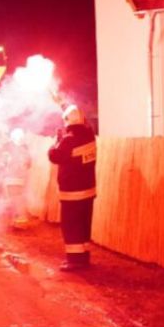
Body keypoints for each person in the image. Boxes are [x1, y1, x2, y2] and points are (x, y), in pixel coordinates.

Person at [47, 104, 97, 269]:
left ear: (67, 121)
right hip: (88, 190)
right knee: (83, 225)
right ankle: (83, 258)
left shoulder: (68, 140)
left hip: (72, 192)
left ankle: (74, 261)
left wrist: (56, 141)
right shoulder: (90, 135)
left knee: (71, 225)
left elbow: (54, 156)